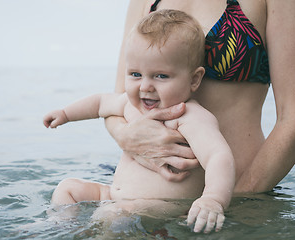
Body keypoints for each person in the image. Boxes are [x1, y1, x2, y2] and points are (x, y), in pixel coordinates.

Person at [43, 9, 235, 233]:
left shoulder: (189, 116)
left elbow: (218, 156)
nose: (145, 86)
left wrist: (212, 199)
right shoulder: (130, 105)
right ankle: (58, 228)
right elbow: (99, 103)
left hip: (162, 206)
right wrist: (65, 114)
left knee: (113, 213)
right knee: (68, 188)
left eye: (161, 76)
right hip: (113, 196)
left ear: (194, 79)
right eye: (135, 74)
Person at [104, 0, 295, 194]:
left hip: (240, 195)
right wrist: (124, 136)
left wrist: (234, 200)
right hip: (144, 191)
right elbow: (119, 100)